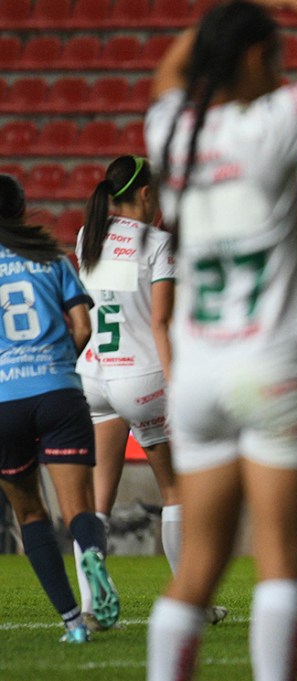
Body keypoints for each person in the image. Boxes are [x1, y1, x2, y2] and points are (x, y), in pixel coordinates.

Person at [143, 1, 297, 678]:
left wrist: (224, 20)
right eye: (274, 59)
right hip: (271, 367)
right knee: (278, 564)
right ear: (254, 58)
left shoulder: (170, 134)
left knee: (195, 570)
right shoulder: (268, 126)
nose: (280, 74)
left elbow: (168, 69)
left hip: (196, 378)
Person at [71, 155, 227, 629]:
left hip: (94, 376)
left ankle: (94, 608)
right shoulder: (159, 244)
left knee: (96, 500)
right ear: (145, 195)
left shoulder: (87, 237)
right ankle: (192, 605)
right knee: (175, 489)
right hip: (141, 379)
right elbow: (159, 322)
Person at [0, 174, 119, 643]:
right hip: (60, 393)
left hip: (5, 399)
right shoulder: (50, 256)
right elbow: (83, 326)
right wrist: (57, 366)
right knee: (80, 509)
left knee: (29, 515)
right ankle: (90, 552)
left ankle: (73, 624)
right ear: (22, 209)